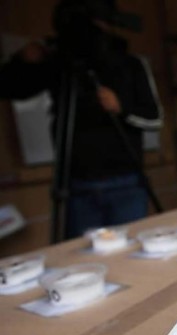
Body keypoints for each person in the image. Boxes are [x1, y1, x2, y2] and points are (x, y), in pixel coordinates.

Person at [0, 0, 163, 239]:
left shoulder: (130, 64)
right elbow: (9, 87)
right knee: (80, 260)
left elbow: (154, 118)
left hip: (125, 182)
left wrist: (122, 109)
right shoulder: (60, 64)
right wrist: (21, 61)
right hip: (77, 186)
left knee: (130, 255)